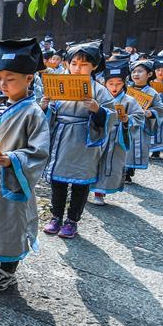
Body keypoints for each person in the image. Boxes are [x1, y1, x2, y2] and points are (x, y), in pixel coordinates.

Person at [0, 38, 50, 292]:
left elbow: (39, 152)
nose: (3, 84)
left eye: (10, 79)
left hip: (13, 178)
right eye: (0, 78)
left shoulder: (33, 112)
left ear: (29, 79)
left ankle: (8, 269)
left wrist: (12, 159)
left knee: (9, 225)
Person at [40, 41, 115, 239]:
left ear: (94, 66)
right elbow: (47, 115)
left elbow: (111, 117)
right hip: (60, 137)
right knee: (57, 181)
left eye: (83, 65)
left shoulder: (99, 90)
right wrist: (44, 106)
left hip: (84, 140)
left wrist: (98, 110)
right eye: (73, 63)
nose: (77, 68)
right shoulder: (59, 84)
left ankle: (72, 220)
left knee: (80, 184)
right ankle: (56, 216)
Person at [90, 63, 146, 205]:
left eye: (118, 83)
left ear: (124, 84)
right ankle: (86, 190)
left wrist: (127, 120)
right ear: (105, 83)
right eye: (111, 83)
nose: (114, 87)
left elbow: (139, 117)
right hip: (99, 134)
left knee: (109, 166)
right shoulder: (99, 96)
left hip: (117, 137)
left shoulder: (129, 100)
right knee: (92, 163)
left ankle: (100, 193)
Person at [123, 59, 163, 183]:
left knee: (134, 148)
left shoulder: (152, 92)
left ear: (149, 74)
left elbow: (161, 108)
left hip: (140, 127)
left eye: (140, 71)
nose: (136, 74)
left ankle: (129, 170)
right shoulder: (126, 89)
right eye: (134, 71)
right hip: (125, 122)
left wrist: (150, 112)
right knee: (124, 147)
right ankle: (124, 169)